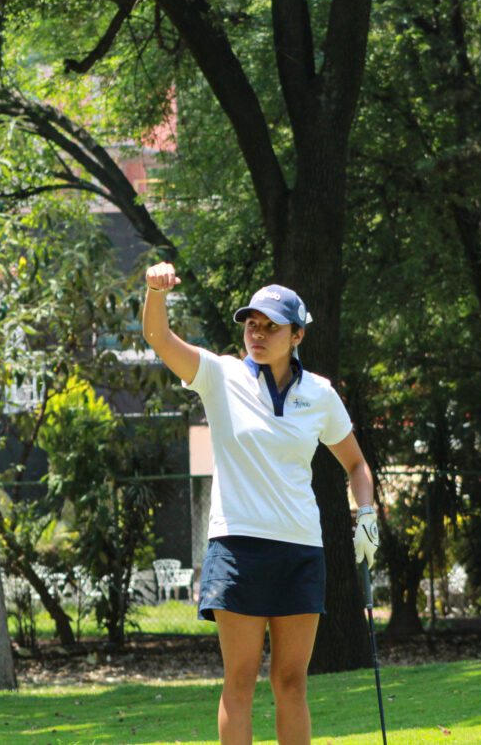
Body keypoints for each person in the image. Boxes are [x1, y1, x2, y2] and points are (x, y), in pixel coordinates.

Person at [141, 261, 380, 745]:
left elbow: (355, 464)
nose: (259, 333)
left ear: (297, 336)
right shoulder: (219, 375)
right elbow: (159, 338)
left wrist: (367, 513)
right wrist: (155, 291)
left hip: (300, 550)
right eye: (252, 323)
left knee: (291, 682)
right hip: (237, 548)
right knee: (240, 682)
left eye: (272, 326)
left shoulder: (320, 394)